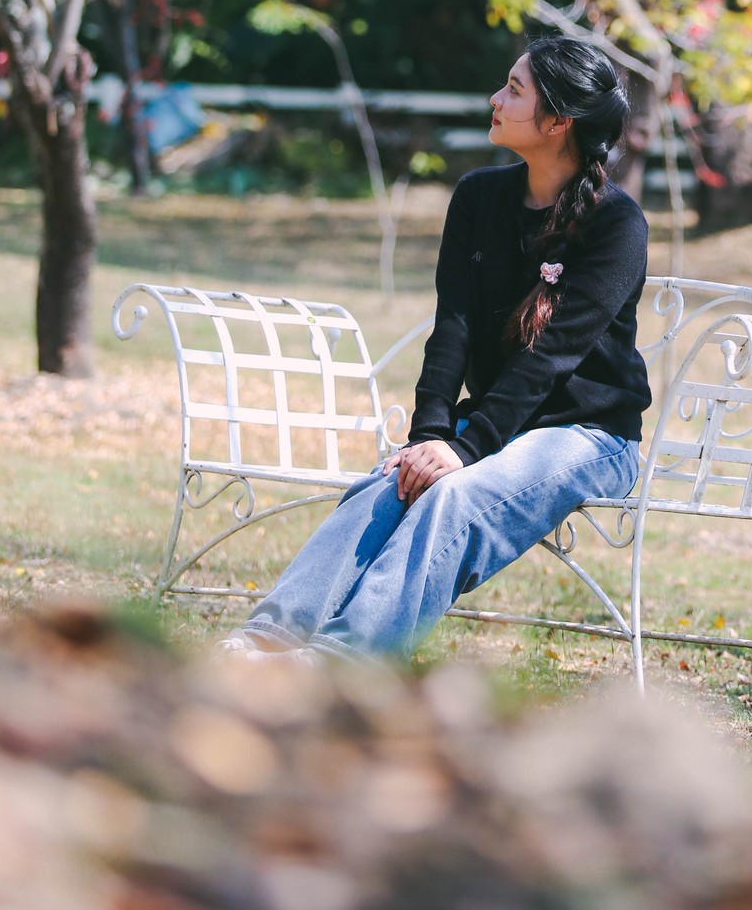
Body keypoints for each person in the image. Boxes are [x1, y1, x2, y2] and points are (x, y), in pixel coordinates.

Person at [223, 35, 650, 662]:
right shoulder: (478, 198)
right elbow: (453, 327)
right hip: (497, 423)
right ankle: (265, 641)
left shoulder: (616, 224)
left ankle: (339, 667)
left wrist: (465, 449)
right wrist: (429, 437)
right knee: (391, 483)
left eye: (514, 90)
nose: (495, 98)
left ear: (558, 122)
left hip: (588, 435)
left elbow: (551, 356)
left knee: (454, 495)